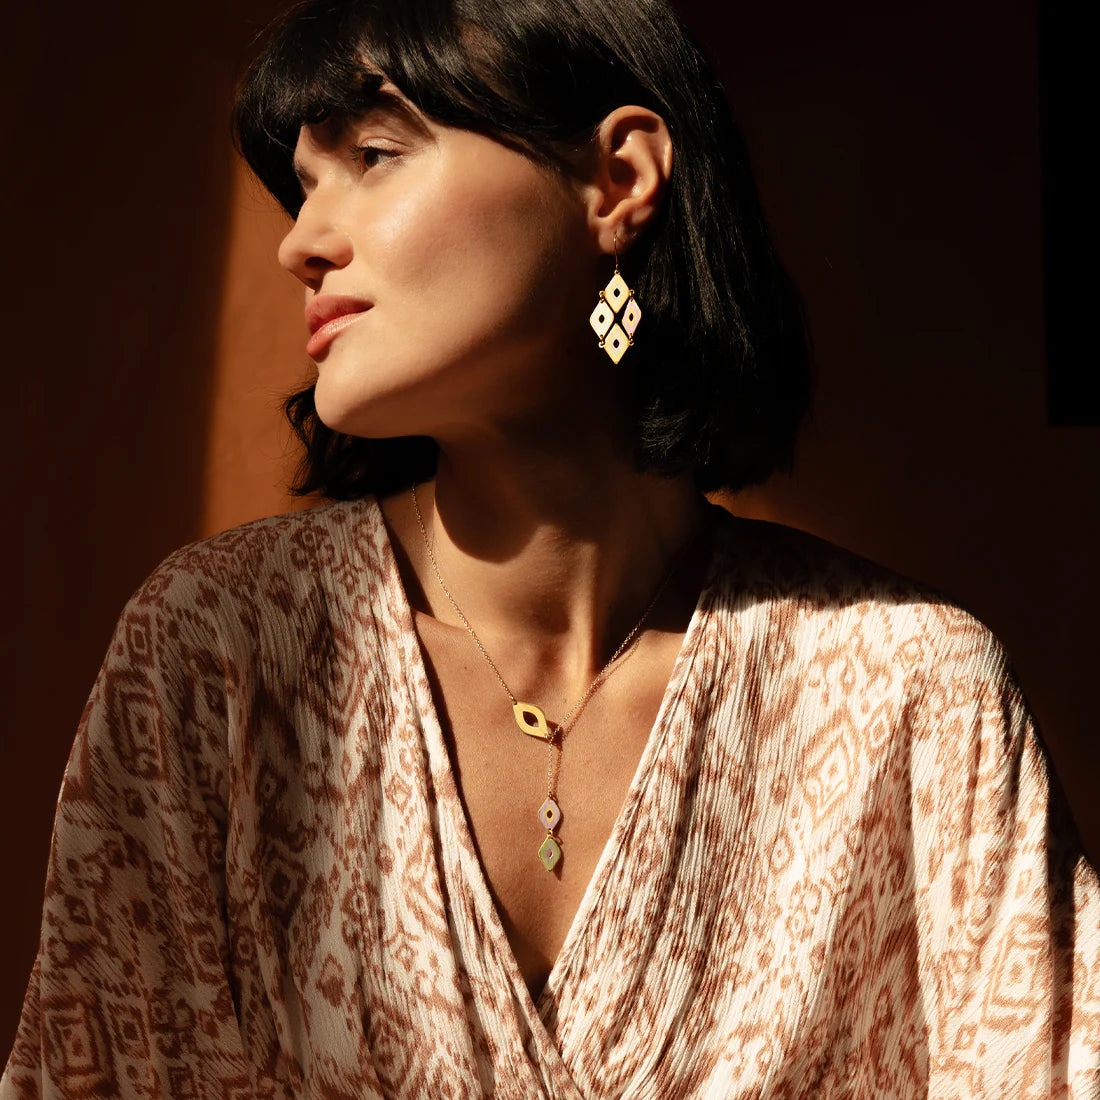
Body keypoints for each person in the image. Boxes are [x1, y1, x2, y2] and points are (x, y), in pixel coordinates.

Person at [3, 0, 1098, 1095]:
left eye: (372, 156)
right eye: (302, 185)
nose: (300, 240)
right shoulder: (221, 653)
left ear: (617, 180)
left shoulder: (906, 696)